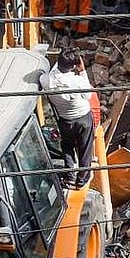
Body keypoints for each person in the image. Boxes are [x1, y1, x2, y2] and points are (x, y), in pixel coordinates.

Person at [40, 50, 95, 187]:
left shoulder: (46, 80)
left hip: (65, 120)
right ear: (74, 66)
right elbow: (88, 96)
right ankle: (81, 180)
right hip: (83, 118)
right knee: (85, 149)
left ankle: (70, 176)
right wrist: (82, 71)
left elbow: (53, 74)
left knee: (67, 146)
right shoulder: (77, 81)